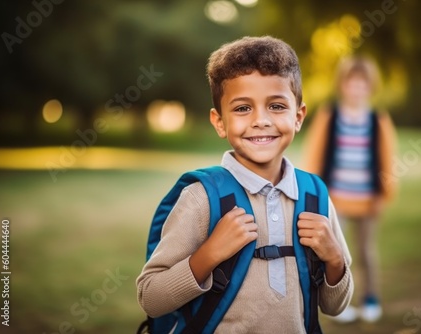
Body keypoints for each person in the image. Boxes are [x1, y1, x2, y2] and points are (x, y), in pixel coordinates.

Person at [136, 36, 354, 333]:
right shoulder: (202, 198)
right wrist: (208, 255)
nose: (261, 120)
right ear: (219, 122)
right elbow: (151, 297)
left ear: (299, 116)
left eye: (277, 106)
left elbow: (334, 306)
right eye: (242, 109)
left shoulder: (315, 196)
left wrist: (335, 259)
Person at [302, 56, 397, 323]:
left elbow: (388, 159)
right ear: (343, 85)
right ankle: (340, 305)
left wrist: (383, 193)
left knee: (366, 251)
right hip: (336, 200)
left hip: (368, 199)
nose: (356, 88)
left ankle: (370, 298)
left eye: (362, 84)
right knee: (336, 254)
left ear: (370, 87)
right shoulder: (329, 116)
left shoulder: (378, 119)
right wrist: (317, 193)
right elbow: (315, 154)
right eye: (351, 83)